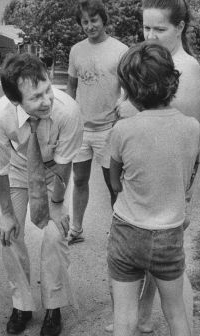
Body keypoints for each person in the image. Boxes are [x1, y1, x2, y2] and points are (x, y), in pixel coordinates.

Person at [101, 0, 200, 336]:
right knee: (150, 266)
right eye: (145, 28)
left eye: (159, 29)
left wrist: (187, 197)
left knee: (176, 275)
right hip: (145, 187)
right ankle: (135, 331)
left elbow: (186, 139)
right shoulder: (153, 61)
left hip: (168, 189)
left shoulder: (186, 69)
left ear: (180, 28)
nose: (149, 36)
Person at [0, 53, 82, 336]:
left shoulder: (68, 111)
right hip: (17, 171)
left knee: (55, 234)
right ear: (16, 101)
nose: (47, 101)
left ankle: (54, 305)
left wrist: (56, 205)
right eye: (36, 97)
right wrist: (5, 213)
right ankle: (22, 304)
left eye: (47, 90)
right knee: (10, 233)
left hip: (53, 173)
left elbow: (65, 165)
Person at [66, 0, 128, 244]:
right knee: (79, 180)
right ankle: (76, 228)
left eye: (94, 20)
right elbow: (71, 86)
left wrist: (121, 109)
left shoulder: (120, 50)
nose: (89, 26)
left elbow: (128, 90)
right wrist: (68, 117)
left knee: (113, 184)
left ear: (103, 20)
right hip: (81, 130)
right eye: (85, 21)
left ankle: (120, 234)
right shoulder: (76, 50)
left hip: (109, 130)